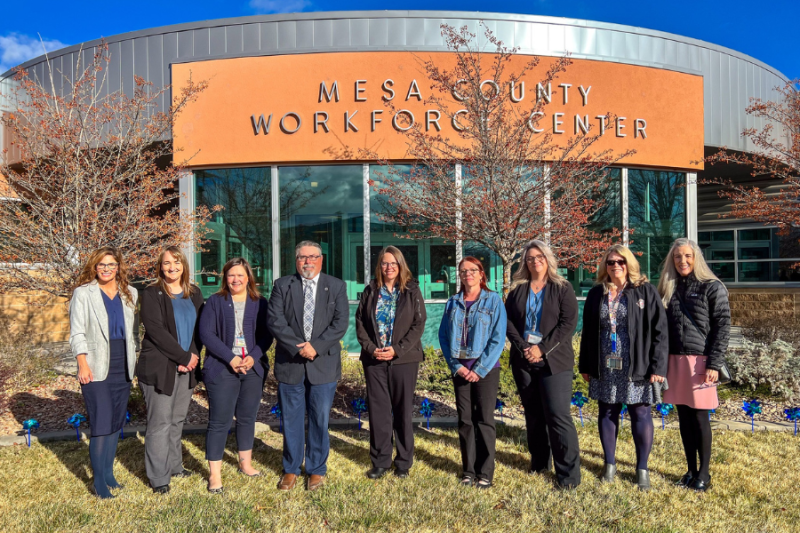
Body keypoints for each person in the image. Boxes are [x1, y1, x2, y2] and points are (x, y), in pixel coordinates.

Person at [579, 245, 667, 491]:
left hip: (636, 362)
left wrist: (658, 366)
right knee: (607, 411)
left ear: (629, 264)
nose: (615, 266)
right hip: (605, 362)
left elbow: (660, 331)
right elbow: (587, 332)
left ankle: (642, 468)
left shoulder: (645, 291)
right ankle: (609, 464)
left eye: (620, 261)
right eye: (610, 262)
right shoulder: (597, 293)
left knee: (640, 413)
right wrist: (585, 364)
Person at [267, 241, 349, 491]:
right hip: (291, 363)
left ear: (321, 259)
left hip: (323, 364)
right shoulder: (282, 285)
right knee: (291, 419)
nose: (308, 262)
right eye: (303, 257)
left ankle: (316, 469)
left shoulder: (335, 286)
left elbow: (340, 322)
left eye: (313, 257)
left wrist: (317, 346)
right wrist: (299, 346)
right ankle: (291, 468)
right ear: (296, 260)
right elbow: (275, 320)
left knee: (319, 419)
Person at [505, 240, 581, 489]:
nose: (535, 261)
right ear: (524, 262)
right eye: (529, 257)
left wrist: (542, 348)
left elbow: (567, 324)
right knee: (534, 416)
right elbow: (508, 323)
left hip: (554, 362)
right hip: (524, 360)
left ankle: (568, 476)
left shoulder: (562, 287)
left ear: (548, 259)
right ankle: (539, 465)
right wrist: (525, 348)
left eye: (539, 256)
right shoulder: (517, 289)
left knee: (558, 416)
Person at [658, 238, 730, 492]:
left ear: (696, 257)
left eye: (687, 256)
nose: (682, 261)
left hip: (701, 362)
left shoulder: (712, 287)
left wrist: (715, 362)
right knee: (684, 418)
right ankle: (690, 469)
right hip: (675, 361)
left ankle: (704, 473)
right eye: (677, 257)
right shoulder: (668, 287)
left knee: (700, 418)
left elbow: (722, 326)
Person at [69, 246, 138, 499]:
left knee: (114, 422)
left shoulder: (130, 292)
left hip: (123, 364)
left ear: (118, 266)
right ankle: (98, 483)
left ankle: (109, 474)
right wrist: (82, 363)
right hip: (95, 364)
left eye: (111, 264)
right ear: (94, 267)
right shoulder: (83, 293)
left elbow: (132, 333)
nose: (106, 269)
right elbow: (76, 332)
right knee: (101, 422)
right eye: (102, 265)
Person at [198, 257, 272, 494]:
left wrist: (253, 357)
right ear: (225, 278)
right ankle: (214, 475)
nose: (236, 279)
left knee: (248, 418)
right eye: (231, 275)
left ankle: (246, 464)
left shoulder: (260, 303)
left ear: (249, 277)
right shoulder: (215, 302)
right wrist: (231, 358)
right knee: (219, 421)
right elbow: (206, 334)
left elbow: (267, 336)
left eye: (240, 275)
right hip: (222, 368)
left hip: (252, 368)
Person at [136, 246, 204, 494]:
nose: (171, 267)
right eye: (166, 263)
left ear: (184, 265)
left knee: (176, 421)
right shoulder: (153, 293)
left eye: (176, 262)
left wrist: (193, 356)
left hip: (187, 367)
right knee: (160, 423)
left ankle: (175, 466)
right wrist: (183, 356)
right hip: (160, 367)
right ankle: (159, 478)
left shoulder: (193, 293)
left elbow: (199, 330)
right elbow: (155, 331)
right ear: (160, 266)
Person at [355, 246, 426, 480]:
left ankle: (404, 462)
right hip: (375, 360)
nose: (389, 267)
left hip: (404, 360)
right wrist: (372, 349)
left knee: (402, 411)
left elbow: (418, 324)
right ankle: (381, 461)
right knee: (379, 411)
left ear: (400, 265)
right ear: (380, 266)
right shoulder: (370, 291)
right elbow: (360, 323)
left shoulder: (412, 290)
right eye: (385, 263)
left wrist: (397, 350)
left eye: (393, 263)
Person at [439, 257, 507, 489]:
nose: (468, 274)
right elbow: (444, 337)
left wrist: (479, 369)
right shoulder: (453, 302)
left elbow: (498, 338)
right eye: (463, 271)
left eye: (472, 270)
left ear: (481, 274)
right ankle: (468, 470)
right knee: (465, 420)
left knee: (484, 420)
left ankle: (485, 472)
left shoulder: (493, 300)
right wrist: (455, 366)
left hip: (486, 370)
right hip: (460, 370)